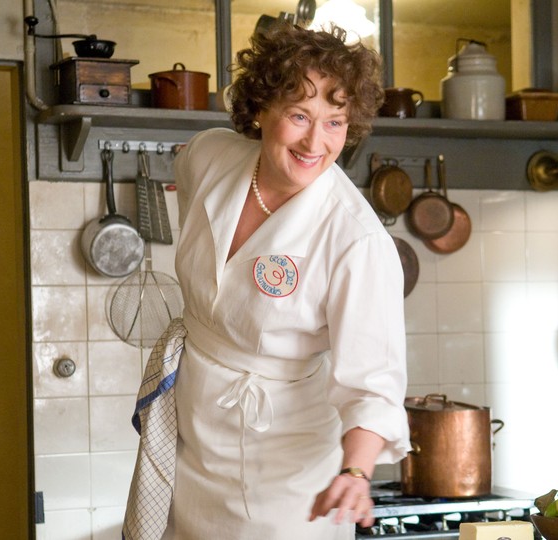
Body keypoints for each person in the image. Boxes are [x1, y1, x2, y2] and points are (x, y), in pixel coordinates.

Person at [124, 23, 410, 540]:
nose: (315, 142)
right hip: (189, 435)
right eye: (299, 115)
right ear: (260, 110)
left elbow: (373, 383)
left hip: (288, 472)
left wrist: (355, 472)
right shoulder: (208, 157)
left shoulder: (357, 240)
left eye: (335, 122)